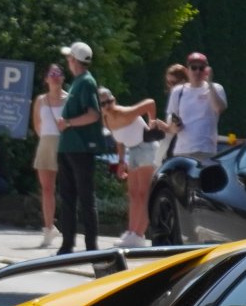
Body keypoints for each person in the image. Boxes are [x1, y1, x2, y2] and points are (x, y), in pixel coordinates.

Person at [55, 41, 103, 255]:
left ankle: (91, 247)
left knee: (85, 198)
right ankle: (67, 244)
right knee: (67, 197)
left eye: (69, 58)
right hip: (69, 146)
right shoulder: (78, 82)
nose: (67, 61)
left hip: (81, 148)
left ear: (74, 60)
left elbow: (93, 114)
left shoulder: (86, 82)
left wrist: (68, 123)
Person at [99, 87, 158, 247]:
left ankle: (139, 235)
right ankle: (131, 232)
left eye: (110, 101)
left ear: (114, 100)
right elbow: (119, 141)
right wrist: (120, 162)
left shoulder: (124, 113)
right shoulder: (106, 120)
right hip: (132, 150)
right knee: (132, 194)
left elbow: (150, 103)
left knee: (144, 194)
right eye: (103, 103)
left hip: (146, 147)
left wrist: (152, 123)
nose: (108, 105)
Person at [164, 51, 226, 161]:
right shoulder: (178, 91)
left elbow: (219, 108)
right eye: (194, 68)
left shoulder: (216, 88)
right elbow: (171, 126)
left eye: (201, 68)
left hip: (206, 151)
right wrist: (175, 127)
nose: (197, 71)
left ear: (206, 71)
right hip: (182, 151)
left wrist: (209, 83)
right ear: (187, 71)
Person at [31, 64, 67, 247]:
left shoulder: (69, 99)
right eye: (51, 74)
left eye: (57, 74)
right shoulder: (40, 100)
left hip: (64, 145)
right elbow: (37, 124)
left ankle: (68, 227)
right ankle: (48, 227)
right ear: (46, 79)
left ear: (62, 78)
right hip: (46, 143)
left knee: (68, 188)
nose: (54, 77)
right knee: (46, 188)